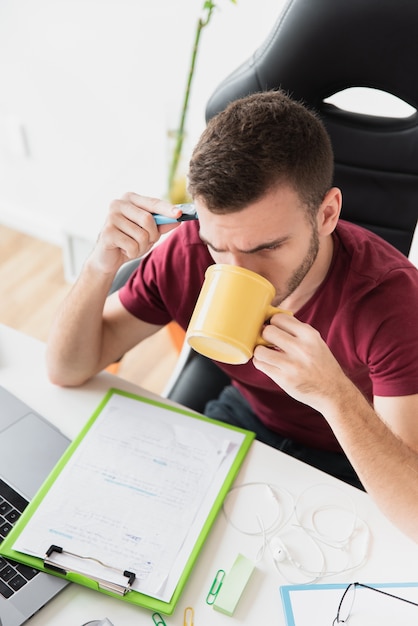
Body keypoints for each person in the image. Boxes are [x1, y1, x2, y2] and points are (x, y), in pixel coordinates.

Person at [47, 91, 418, 533]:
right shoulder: (187, 254)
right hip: (244, 420)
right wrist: (99, 266)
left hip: (349, 458)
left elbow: (412, 509)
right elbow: (67, 369)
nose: (236, 269)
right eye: (218, 246)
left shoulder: (390, 302)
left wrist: (334, 396)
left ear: (327, 214)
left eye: (266, 247)